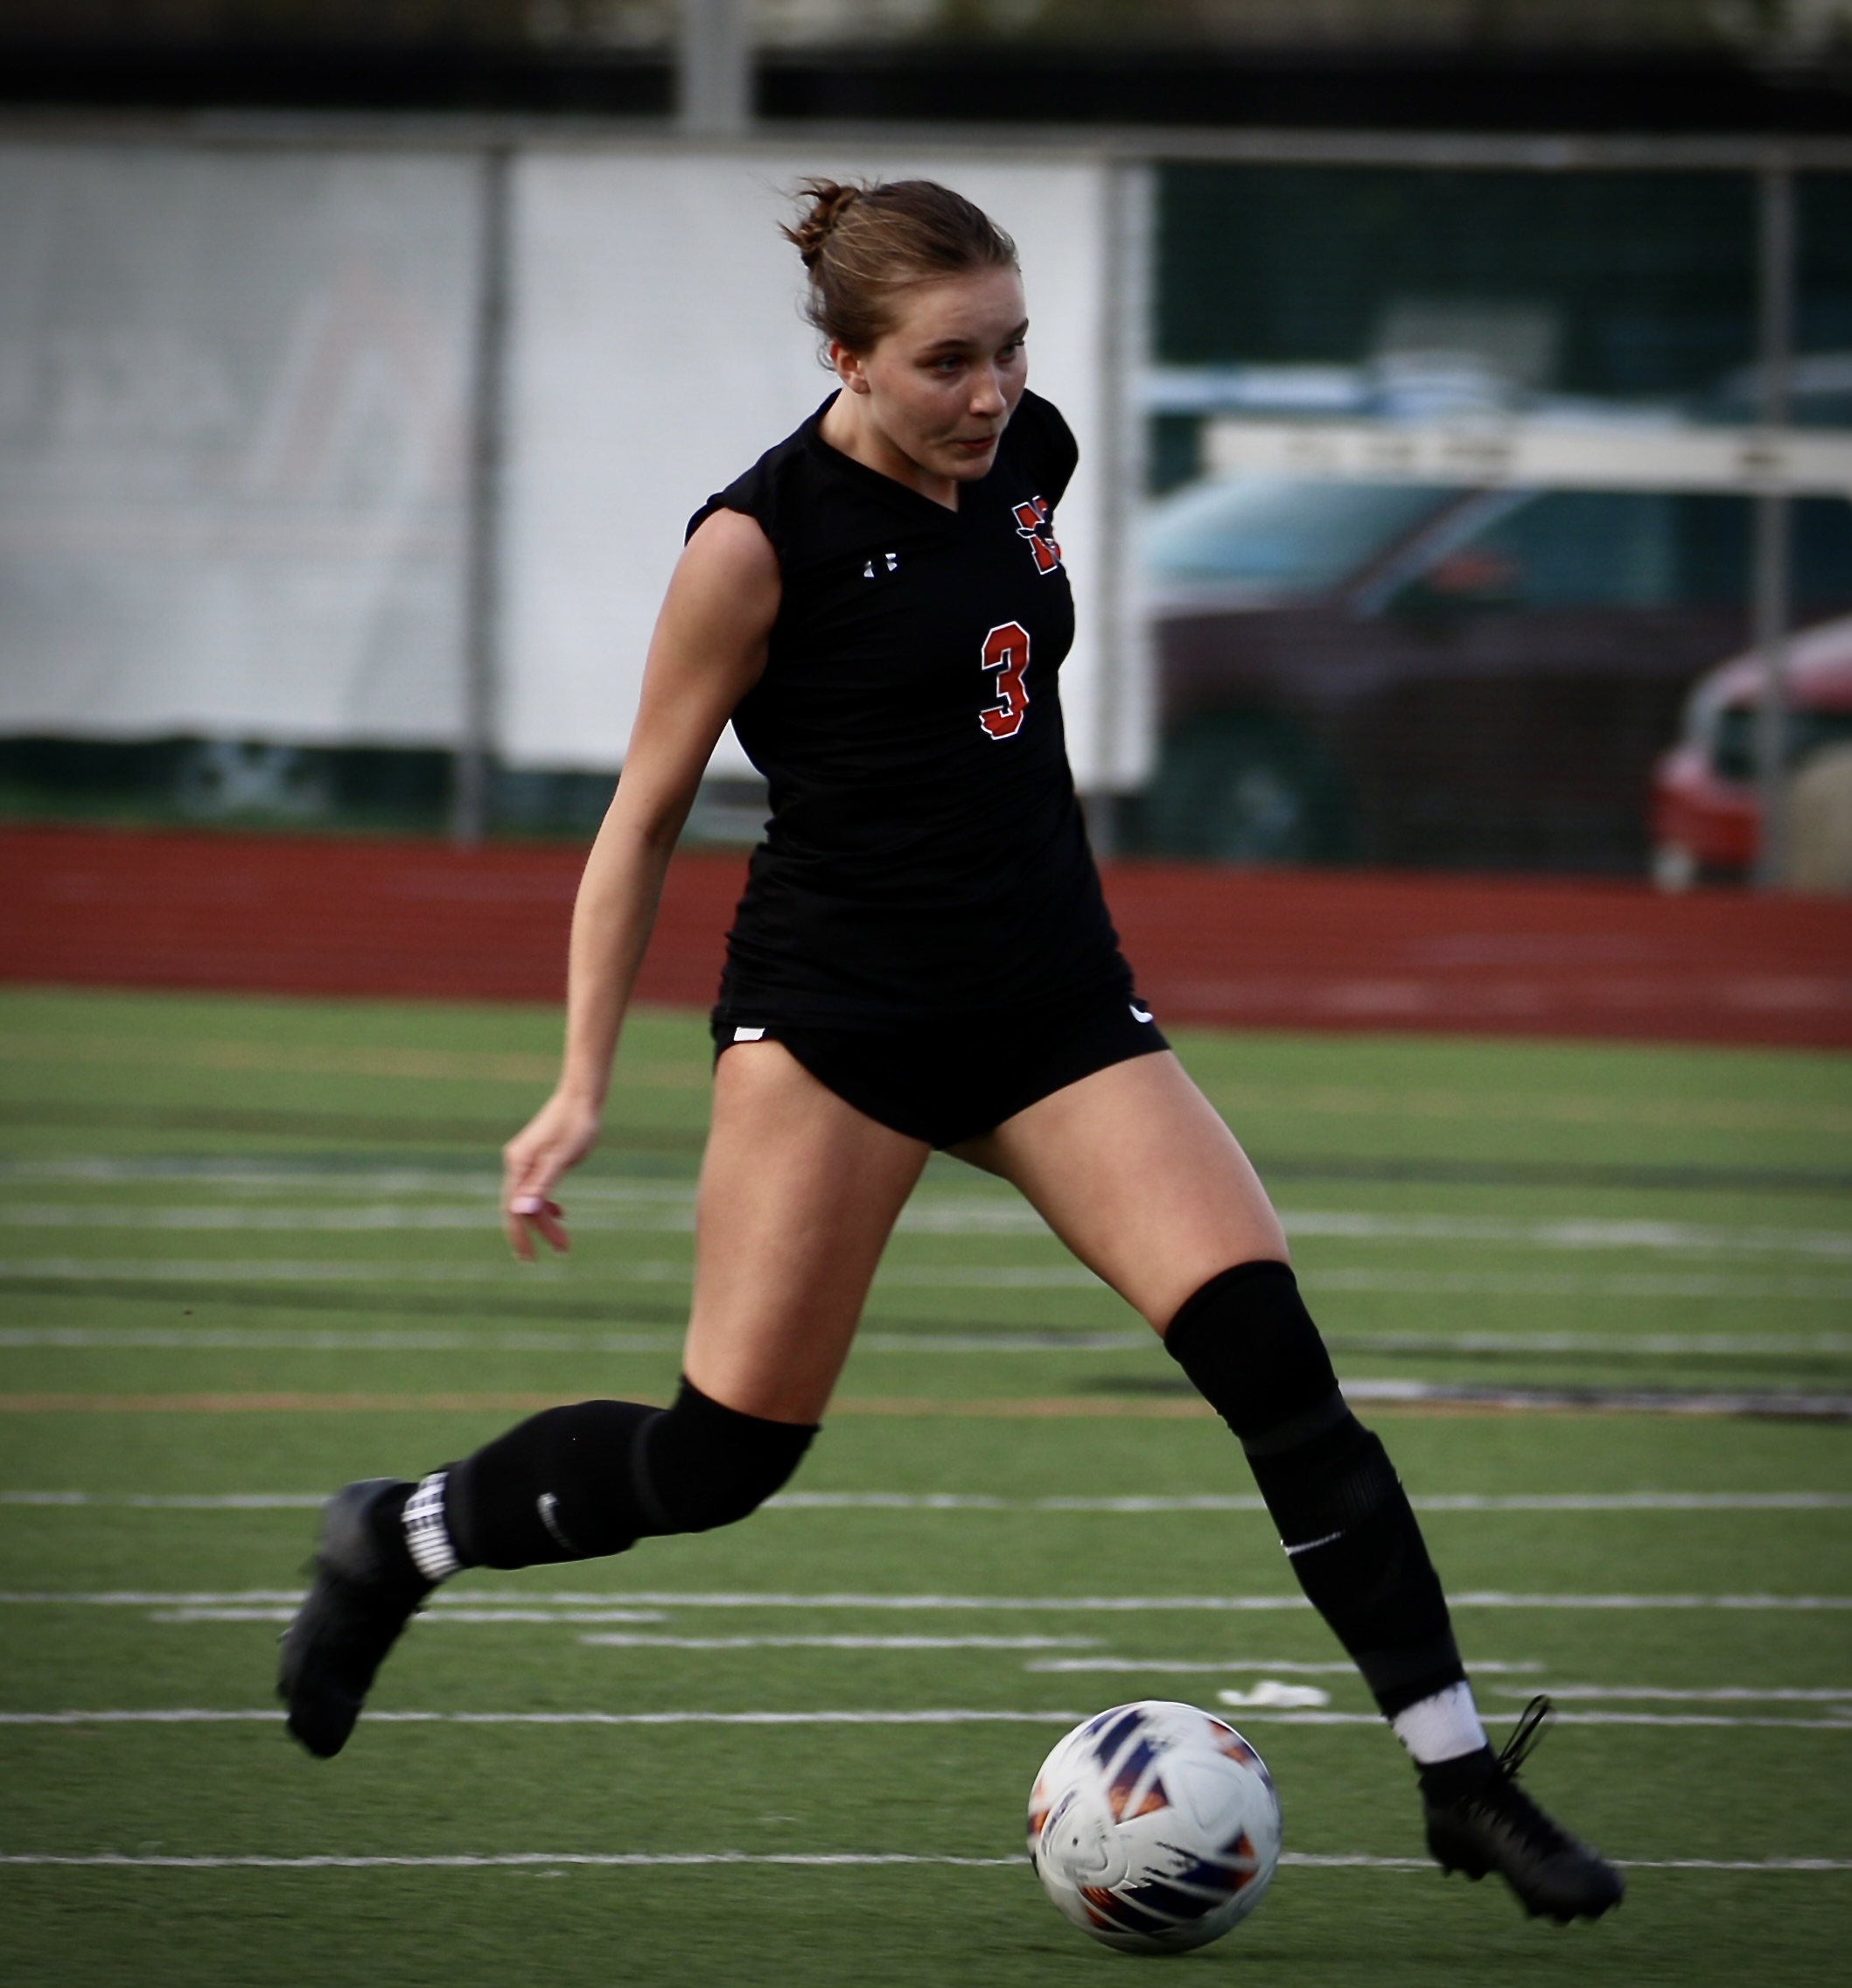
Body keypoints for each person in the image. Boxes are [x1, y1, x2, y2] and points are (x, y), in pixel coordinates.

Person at [278, 178, 1621, 1925]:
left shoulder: (1028, 454)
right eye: (945, 363)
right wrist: (578, 1081)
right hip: (841, 1026)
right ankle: (401, 1537)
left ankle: (1459, 1784)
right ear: (843, 356)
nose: (990, 396)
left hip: (1053, 1003)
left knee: (1277, 1370)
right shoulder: (755, 544)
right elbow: (641, 818)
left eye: (1010, 350)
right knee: (722, 1460)